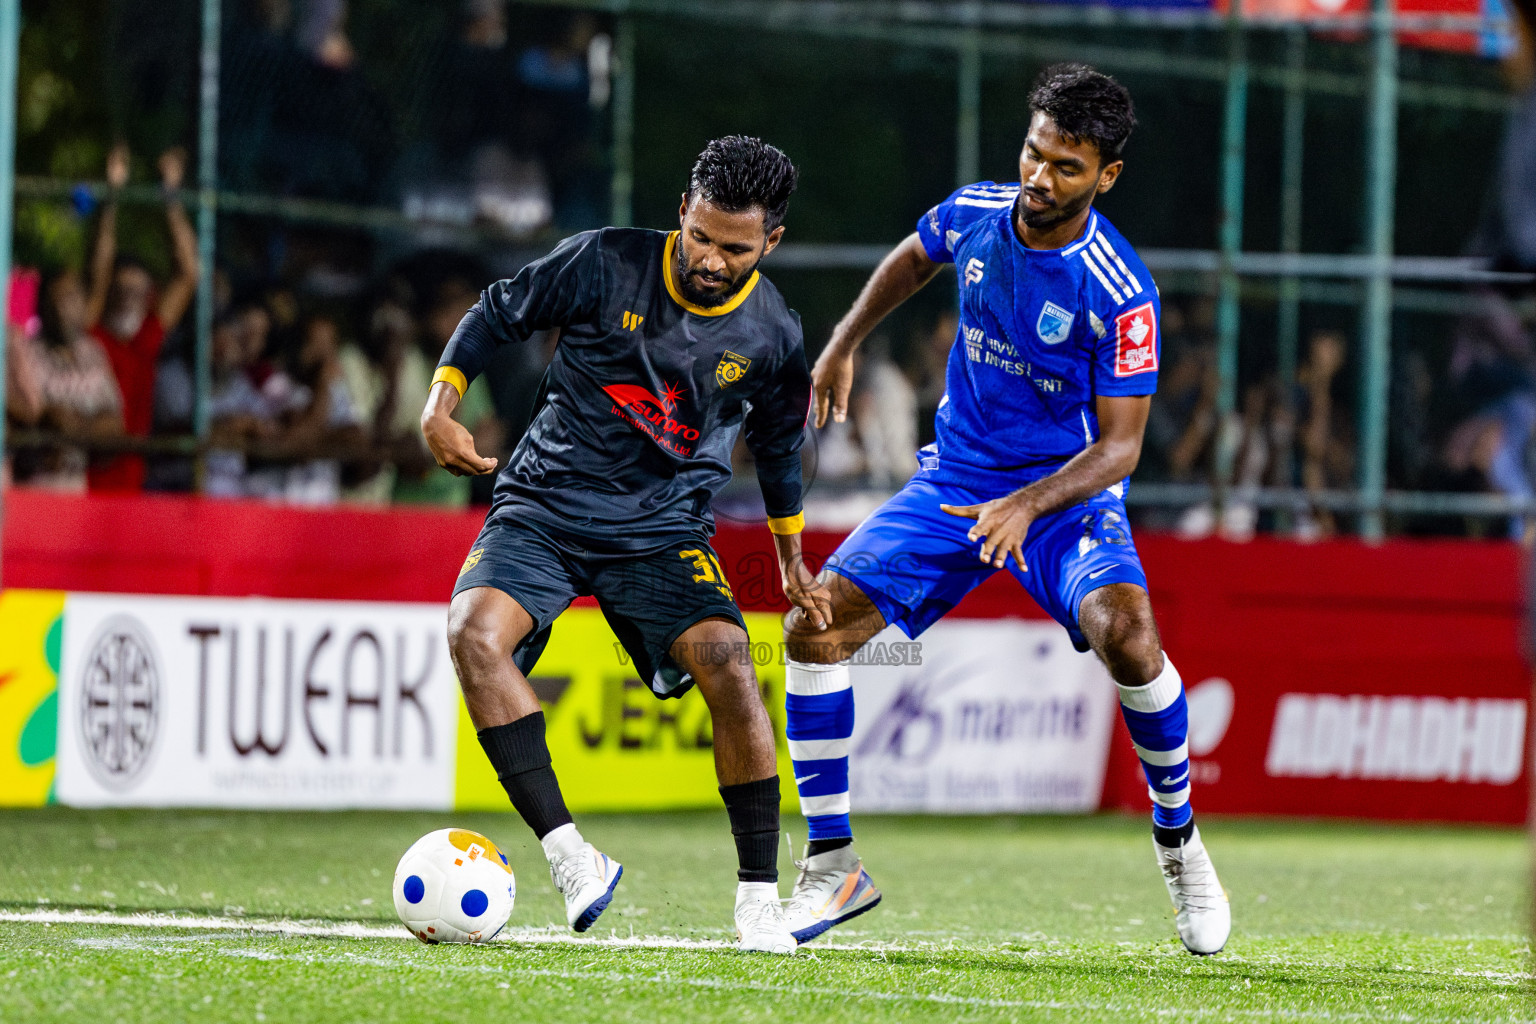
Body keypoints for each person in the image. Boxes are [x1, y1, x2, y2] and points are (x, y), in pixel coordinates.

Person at [779, 64, 1231, 955]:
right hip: (954, 482)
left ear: (1107, 175)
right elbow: (917, 255)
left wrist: (1026, 504)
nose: (1039, 178)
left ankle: (1179, 842)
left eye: (1067, 166)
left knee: (1130, 637)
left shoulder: (1120, 291)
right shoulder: (978, 212)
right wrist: (843, 342)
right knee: (813, 628)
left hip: (1064, 500)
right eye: (1034, 153)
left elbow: (1121, 450)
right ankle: (832, 867)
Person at [418, 136, 822, 953]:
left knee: (732, 666)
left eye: (734, 248)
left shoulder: (774, 333)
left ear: (771, 242)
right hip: (545, 504)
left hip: (661, 529)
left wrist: (790, 556)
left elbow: (781, 447)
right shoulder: (604, 262)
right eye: (700, 236)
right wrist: (439, 406)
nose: (710, 259)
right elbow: (497, 312)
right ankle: (572, 858)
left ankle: (758, 902)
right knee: (471, 635)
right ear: (682, 211)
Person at [85, 143, 200, 493]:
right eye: (121, 291)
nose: (128, 299)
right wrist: (112, 196)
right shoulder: (94, 334)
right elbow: (100, 265)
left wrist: (171, 197)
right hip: (86, 485)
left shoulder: (146, 338)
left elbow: (188, 274)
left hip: (132, 487)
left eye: (138, 292)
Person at [7, 268, 125, 492]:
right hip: (32, 488)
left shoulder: (93, 353)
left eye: (70, 298)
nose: (62, 309)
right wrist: (47, 419)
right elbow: (24, 412)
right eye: (55, 301)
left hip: (77, 489)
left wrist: (75, 427)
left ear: (83, 302)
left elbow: (114, 422)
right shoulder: (25, 353)